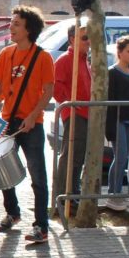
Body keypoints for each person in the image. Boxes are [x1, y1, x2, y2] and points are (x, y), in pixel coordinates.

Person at [0, 6, 54, 244]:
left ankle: (41, 225)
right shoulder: (6, 54)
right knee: (3, 171)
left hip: (32, 124)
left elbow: (48, 91)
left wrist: (33, 116)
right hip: (9, 121)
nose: (11, 26)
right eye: (11, 22)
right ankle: (13, 213)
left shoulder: (43, 57)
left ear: (29, 29)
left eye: (16, 23)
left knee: (38, 175)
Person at [53, 23, 92, 219]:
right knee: (71, 158)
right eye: (84, 38)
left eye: (89, 37)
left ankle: (72, 196)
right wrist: (71, 104)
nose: (88, 42)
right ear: (72, 40)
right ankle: (63, 198)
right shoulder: (65, 60)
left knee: (78, 158)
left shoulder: (85, 60)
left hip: (86, 114)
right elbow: (57, 90)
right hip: (75, 114)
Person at [105, 36, 129, 213]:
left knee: (124, 157)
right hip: (118, 118)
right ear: (120, 53)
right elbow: (110, 100)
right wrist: (109, 126)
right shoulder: (113, 72)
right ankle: (113, 193)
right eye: (128, 51)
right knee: (121, 156)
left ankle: (117, 191)